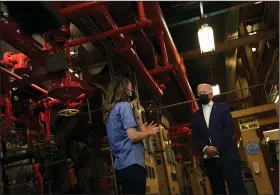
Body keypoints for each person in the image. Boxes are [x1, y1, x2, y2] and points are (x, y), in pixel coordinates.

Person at [103, 77, 159, 194]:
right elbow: (132, 136)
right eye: (130, 86)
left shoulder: (111, 112)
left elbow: (123, 135)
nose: (131, 89)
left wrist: (142, 130)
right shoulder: (124, 106)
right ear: (124, 89)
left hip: (121, 167)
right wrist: (149, 133)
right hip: (133, 163)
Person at [191, 83, 247, 194]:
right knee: (218, 191)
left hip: (227, 156)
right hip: (210, 162)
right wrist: (205, 148)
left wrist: (215, 148)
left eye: (204, 92)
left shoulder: (223, 108)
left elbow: (228, 129)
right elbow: (195, 136)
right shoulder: (195, 115)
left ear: (211, 94)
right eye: (199, 93)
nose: (201, 94)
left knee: (237, 189)